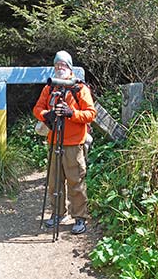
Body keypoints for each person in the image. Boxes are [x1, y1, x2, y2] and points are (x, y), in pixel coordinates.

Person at [33, 50, 97, 234]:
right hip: (54, 141)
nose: (60, 67)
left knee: (75, 181)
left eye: (63, 65)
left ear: (69, 67)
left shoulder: (80, 89)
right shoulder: (50, 88)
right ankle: (58, 213)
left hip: (74, 143)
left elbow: (91, 114)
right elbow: (37, 108)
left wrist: (72, 114)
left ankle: (80, 217)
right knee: (54, 181)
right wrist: (47, 115)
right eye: (57, 65)